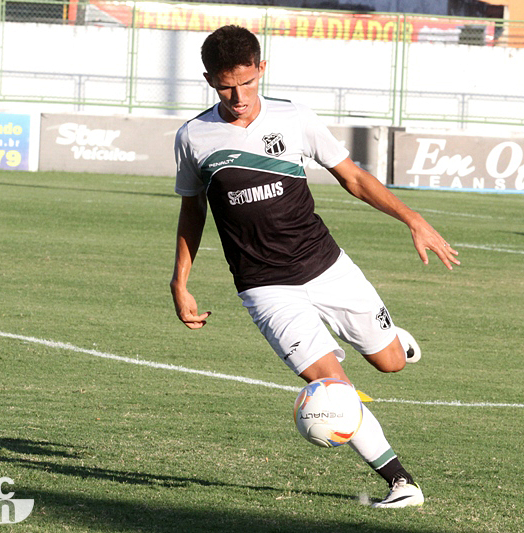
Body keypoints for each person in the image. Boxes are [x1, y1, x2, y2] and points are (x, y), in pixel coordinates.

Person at [170, 25, 459, 508]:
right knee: (333, 389)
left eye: (246, 82)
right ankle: (401, 482)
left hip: (326, 265)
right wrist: (180, 281)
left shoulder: (294, 118)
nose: (238, 97)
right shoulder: (193, 138)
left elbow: (353, 177)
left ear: (262, 70)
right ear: (208, 80)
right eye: (225, 86)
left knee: (388, 363)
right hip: (264, 287)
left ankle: (395, 341)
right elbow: (192, 210)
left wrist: (412, 219)